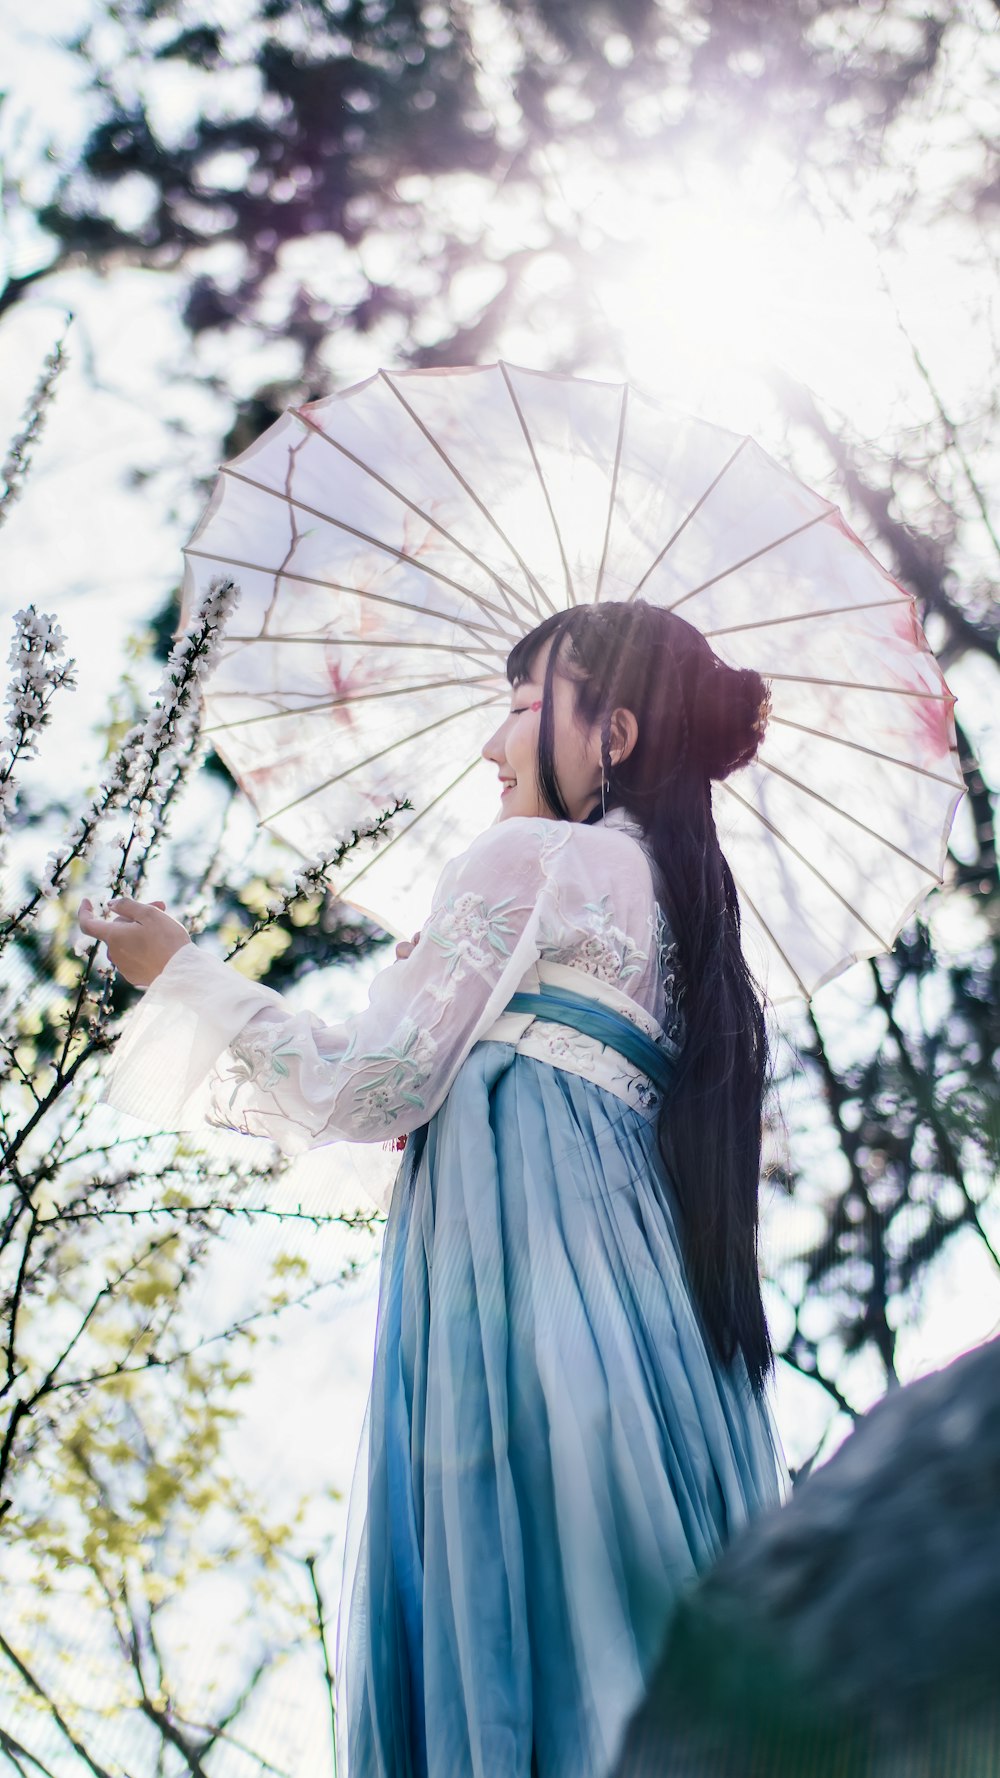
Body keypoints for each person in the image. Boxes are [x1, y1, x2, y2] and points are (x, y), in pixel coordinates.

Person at [78, 597, 790, 1778]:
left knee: (522, 1627)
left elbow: (369, 1089)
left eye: (519, 707)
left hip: (519, 1283)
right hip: (651, 1330)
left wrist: (184, 974)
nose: (491, 744)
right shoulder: (689, 926)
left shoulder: (531, 855)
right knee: (631, 1629)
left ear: (611, 733)